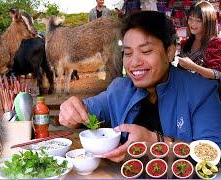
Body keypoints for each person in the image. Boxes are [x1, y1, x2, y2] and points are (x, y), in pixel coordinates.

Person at [59, 11, 221, 163]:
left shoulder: (201, 92)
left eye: (146, 51)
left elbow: (214, 155)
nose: (134, 62)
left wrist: (156, 142)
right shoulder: (119, 89)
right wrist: (72, 111)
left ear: (170, 52)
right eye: (128, 53)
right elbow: (87, 111)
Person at [178, 1, 221, 82]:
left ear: (208, 22)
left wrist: (194, 67)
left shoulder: (216, 44)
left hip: (206, 92)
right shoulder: (185, 43)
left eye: (198, 21)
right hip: (185, 90)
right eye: (190, 19)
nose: (193, 24)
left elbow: (217, 74)